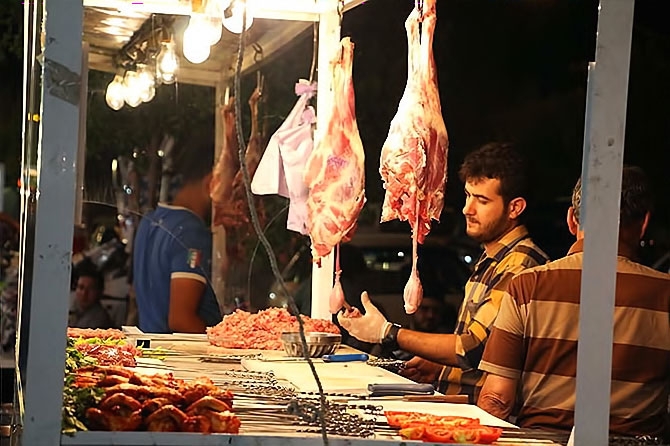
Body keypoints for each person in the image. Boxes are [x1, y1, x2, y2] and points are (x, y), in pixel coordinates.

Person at [338, 143, 549, 403]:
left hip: (484, 415)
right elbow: (477, 357)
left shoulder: (518, 265)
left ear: (515, 208)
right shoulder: (493, 259)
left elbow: (472, 349)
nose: (467, 209)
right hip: (461, 402)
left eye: (482, 200)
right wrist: (440, 366)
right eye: (468, 195)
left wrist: (388, 332)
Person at [477, 166, 670, 439]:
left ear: (572, 220)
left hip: (540, 443)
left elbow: (497, 399)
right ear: (644, 224)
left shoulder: (527, 286)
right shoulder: (665, 294)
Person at [133, 138, 222, 333]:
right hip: (176, 355)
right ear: (211, 184)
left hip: (150, 349)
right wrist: (225, 345)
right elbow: (181, 320)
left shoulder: (148, 221)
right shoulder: (191, 233)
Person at [69, 262, 113, 329]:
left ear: (99, 292)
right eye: (81, 287)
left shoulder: (99, 320)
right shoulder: (71, 308)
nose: (84, 293)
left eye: (91, 288)